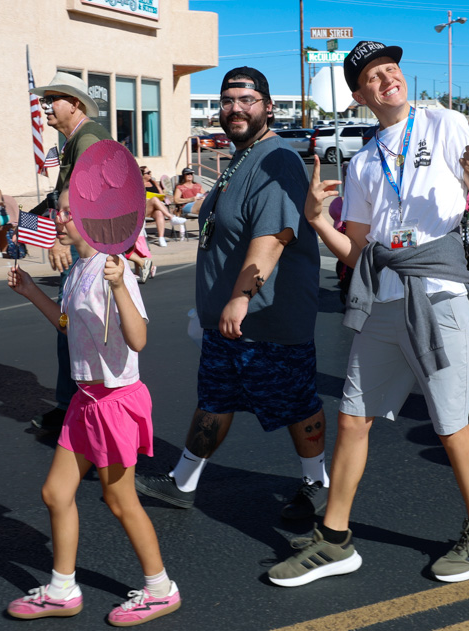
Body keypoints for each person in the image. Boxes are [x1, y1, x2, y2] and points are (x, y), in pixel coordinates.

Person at [266, 40, 469, 587]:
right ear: (359, 96)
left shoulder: (447, 125)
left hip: (440, 295)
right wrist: (316, 220)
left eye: (391, 69)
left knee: (451, 425)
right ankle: (333, 541)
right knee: (354, 419)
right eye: (372, 77)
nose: (386, 80)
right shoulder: (363, 163)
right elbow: (357, 253)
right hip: (384, 299)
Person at [135, 68, 330, 524]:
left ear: (268, 106)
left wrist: (241, 296)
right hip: (228, 319)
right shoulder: (241, 158)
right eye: (227, 100)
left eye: (247, 99)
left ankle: (318, 483)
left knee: (296, 403)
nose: (235, 108)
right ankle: (183, 482)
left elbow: (276, 235)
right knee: (216, 397)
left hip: (267, 317)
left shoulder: (276, 159)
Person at [4, 188, 182, 626]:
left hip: (115, 401)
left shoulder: (111, 268)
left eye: (67, 212)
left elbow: (138, 339)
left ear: (91, 218)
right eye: (59, 211)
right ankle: (63, 590)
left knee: (119, 499)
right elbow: (69, 327)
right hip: (86, 401)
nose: (59, 218)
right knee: (56, 493)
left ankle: (160, 589)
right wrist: (31, 293)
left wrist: (121, 284)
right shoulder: (80, 269)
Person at [29, 72, 113, 433]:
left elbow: (89, 192)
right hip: (87, 245)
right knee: (73, 326)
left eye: (53, 100)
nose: (46, 107)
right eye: (45, 100)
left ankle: (86, 411)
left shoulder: (89, 137)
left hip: (87, 248)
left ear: (74, 103)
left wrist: (63, 240)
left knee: (79, 328)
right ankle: (74, 406)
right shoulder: (77, 139)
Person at [141, 166, 174, 246]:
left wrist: (162, 197)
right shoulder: (138, 184)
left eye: (150, 172)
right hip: (144, 210)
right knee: (154, 199)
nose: (150, 174)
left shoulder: (154, 183)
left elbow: (162, 194)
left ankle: (161, 238)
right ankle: (171, 217)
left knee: (159, 213)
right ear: (142, 175)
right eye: (148, 173)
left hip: (154, 208)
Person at [172, 167, 204, 242]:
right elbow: (176, 200)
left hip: (199, 204)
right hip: (186, 206)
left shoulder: (197, 185)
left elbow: (205, 195)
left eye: (191, 174)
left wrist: (203, 197)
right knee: (204, 207)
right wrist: (191, 199)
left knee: (205, 204)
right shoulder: (180, 187)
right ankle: (204, 232)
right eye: (187, 174)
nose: (190, 175)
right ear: (184, 176)